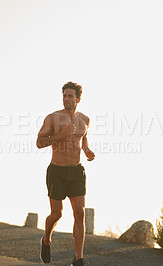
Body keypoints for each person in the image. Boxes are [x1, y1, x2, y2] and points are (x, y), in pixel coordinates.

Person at [37, 81, 95, 266]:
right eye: (64, 95)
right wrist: (60, 136)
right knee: (56, 214)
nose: (67, 99)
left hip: (76, 171)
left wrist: (87, 150)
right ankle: (46, 240)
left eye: (70, 96)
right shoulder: (53, 118)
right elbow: (39, 142)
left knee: (79, 213)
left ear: (78, 99)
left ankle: (79, 259)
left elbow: (83, 138)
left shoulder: (84, 119)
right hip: (57, 171)